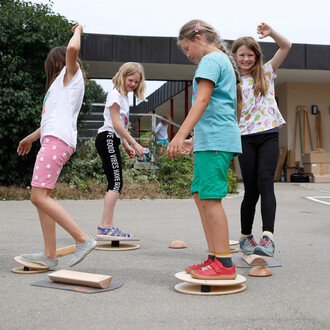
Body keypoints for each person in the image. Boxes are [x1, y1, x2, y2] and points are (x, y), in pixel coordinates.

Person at [167, 20, 242, 280]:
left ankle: (224, 264)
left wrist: (180, 134)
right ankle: (214, 257)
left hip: (217, 140)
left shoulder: (210, 60)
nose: (188, 55)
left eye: (187, 48)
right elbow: (215, 108)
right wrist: (194, 139)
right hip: (210, 139)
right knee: (201, 196)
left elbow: (202, 100)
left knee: (210, 199)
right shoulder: (219, 60)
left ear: (199, 40)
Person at [17, 24, 96, 268]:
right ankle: (49, 255)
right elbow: (50, 122)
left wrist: (78, 31)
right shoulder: (58, 88)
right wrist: (30, 137)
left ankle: (83, 239)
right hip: (53, 139)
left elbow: (73, 48)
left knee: (38, 196)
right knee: (43, 197)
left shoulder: (69, 76)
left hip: (56, 142)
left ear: (55, 64)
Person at [232, 22, 291, 257]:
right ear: (235, 57)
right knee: (251, 190)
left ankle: (268, 238)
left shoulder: (267, 72)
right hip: (245, 137)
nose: (246, 59)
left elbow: (286, 46)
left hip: (268, 135)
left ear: (257, 56)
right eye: (241, 55)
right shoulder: (232, 81)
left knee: (266, 182)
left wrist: (272, 33)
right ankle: (246, 236)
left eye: (250, 54)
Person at [95, 62, 147, 239]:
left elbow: (118, 125)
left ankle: (107, 225)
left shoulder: (124, 97)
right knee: (116, 182)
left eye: (136, 82)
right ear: (123, 76)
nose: (133, 84)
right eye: (130, 80)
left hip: (112, 139)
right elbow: (115, 124)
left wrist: (125, 146)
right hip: (107, 138)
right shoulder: (115, 94)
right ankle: (104, 226)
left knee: (115, 182)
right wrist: (135, 144)